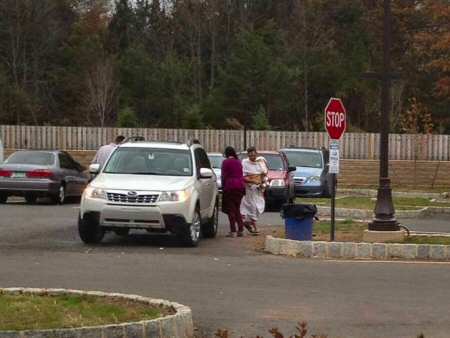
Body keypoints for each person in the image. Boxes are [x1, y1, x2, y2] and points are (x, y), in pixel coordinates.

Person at [240, 147, 267, 235]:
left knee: (259, 206)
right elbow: (243, 177)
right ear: (248, 155)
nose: (252, 156)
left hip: (258, 189)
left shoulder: (260, 162)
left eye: (254, 154)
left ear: (256, 153)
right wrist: (252, 181)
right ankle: (254, 227)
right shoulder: (245, 163)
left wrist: (263, 183)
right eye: (250, 154)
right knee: (252, 207)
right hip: (249, 189)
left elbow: (264, 175)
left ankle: (248, 223)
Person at [221, 146, 246, 237]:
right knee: (237, 209)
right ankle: (241, 229)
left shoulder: (226, 162)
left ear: (226, 153)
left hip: (230, 186)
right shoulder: (238, 162)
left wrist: (223, 187)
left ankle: (233, 230)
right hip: (240, 187)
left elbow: (224, 175)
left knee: (231, 209)